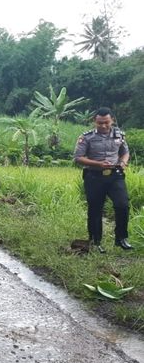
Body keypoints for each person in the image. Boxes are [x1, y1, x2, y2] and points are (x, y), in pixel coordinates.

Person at [74, 107, 132, 253]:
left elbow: (125, 152)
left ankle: (121, 239)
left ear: (112, 120)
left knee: (122, 205)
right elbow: (78, 158)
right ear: (95, 121)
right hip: (94, 177)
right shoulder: (86, 137)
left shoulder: (119, 134)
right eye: (100, 123)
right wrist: (98, 164)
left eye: (106, 122)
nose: (103, 126)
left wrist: (123, 162)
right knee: (95, 210)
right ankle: (95, 241)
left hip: (115, 176)